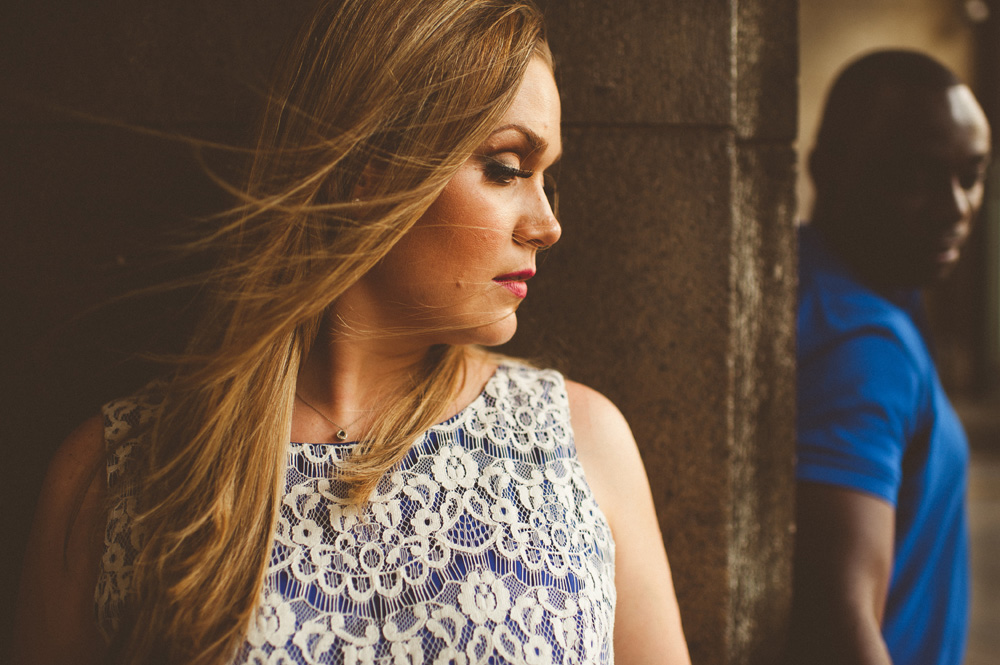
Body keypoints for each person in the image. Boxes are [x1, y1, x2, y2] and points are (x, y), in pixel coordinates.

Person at [12, 1, 691, 664]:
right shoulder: (118, 473)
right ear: (369, 169)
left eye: (547, 178)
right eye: (507, 168)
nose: (547, 224)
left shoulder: (578, 443)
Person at [788, 50, 991, 665]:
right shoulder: (865, 345)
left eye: (973, 174)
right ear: (830, 169)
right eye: (916, 176)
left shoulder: (813, 278)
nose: (957, 207)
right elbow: (838, 636)